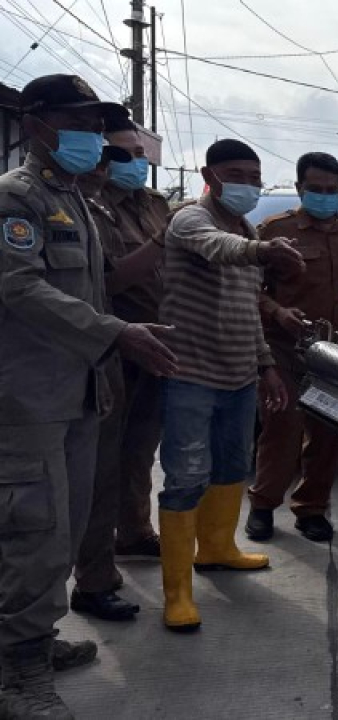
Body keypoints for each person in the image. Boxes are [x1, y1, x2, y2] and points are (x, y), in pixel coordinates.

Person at [0, 74, 176, 717]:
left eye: (96, 126)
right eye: (77, 123)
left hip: (77, 392)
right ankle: (17, 676)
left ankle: (32, 640)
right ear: (36, 125)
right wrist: (116, 334)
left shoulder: (72, 199)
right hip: (29, 400)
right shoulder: (16, 197)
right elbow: (20, 288)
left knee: (65, 528)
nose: (92, 137)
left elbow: (94, 288)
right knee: (34, 534)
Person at [156, 138, 305, 633]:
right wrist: (264, 251)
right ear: (210, 175)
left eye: (255, 177)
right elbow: (217, 248)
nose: (248, 185)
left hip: (239, 375)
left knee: (232, 467)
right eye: (237, 175)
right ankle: (177, 593)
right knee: (185, 478)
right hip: (189, 374)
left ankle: (217, 548)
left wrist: (265, 366)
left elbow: (248, 310)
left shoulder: (245, 227)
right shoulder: (190, 220)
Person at [246, 152, 338, 543]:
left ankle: (312, 508)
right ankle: (263, 505)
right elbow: (248, 288)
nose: (324, 196)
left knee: (329, 434)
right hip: (285, 349)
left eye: (332, 189)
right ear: (299, 188)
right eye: (316, 189)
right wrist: (277, 312)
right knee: (281, 428)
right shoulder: (274, 230)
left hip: (337, 354)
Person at [69, 141, 147, 623]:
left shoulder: (95, 206)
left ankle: (105, 566)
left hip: (124, 355)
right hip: (78, 359)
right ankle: (90, 580)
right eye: (101, 154)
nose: (103, 165)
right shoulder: (39, 203)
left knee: (121, 464)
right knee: (79, 482)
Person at [98, 115, 171, 559]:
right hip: (113, 346)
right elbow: (110, 282)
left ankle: (134, 530)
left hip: (158, 344)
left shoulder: (156, 203)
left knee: (142, 446)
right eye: (124, 155)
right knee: (105, 450)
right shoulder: (91, 206)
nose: (136, 163)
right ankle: (95, 553)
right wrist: (162, 241)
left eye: (140, 154)